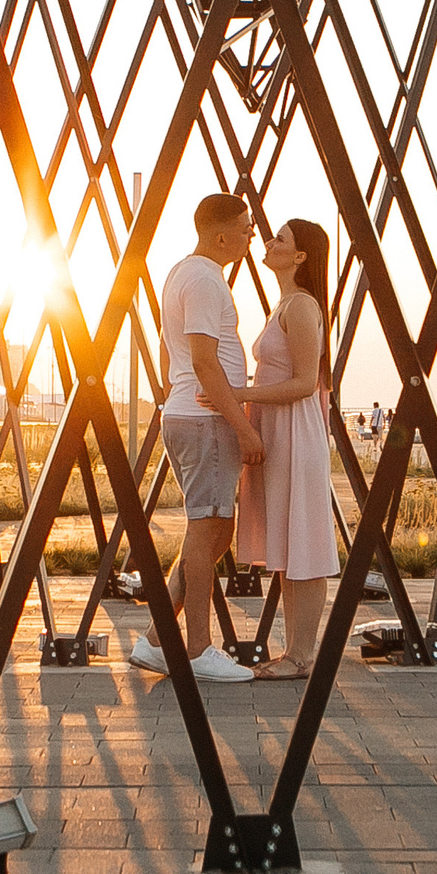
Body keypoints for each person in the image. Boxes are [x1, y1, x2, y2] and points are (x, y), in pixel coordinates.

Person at [131, 193, 262, 684]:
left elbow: (186, 357)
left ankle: (157, 640)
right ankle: (199, 648)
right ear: (222, 232)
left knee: (213, 532)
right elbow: (205, 361)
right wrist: (243, 426)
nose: (251, 235)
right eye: (246, 227)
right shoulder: (206, 279)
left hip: (194, 414)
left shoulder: (185, 272)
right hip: (205, 418)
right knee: (206, 531)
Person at [227, 218, 339, 679]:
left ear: (300, 257)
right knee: (290, 540)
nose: (269, 242)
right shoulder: (284, 305)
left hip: (295, 430)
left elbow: (304, 383)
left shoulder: (300, 305)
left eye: (281, 239)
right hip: (279, 431)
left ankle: (301, 655)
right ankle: (295, 651)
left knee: (304, 542)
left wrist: (240, 395)